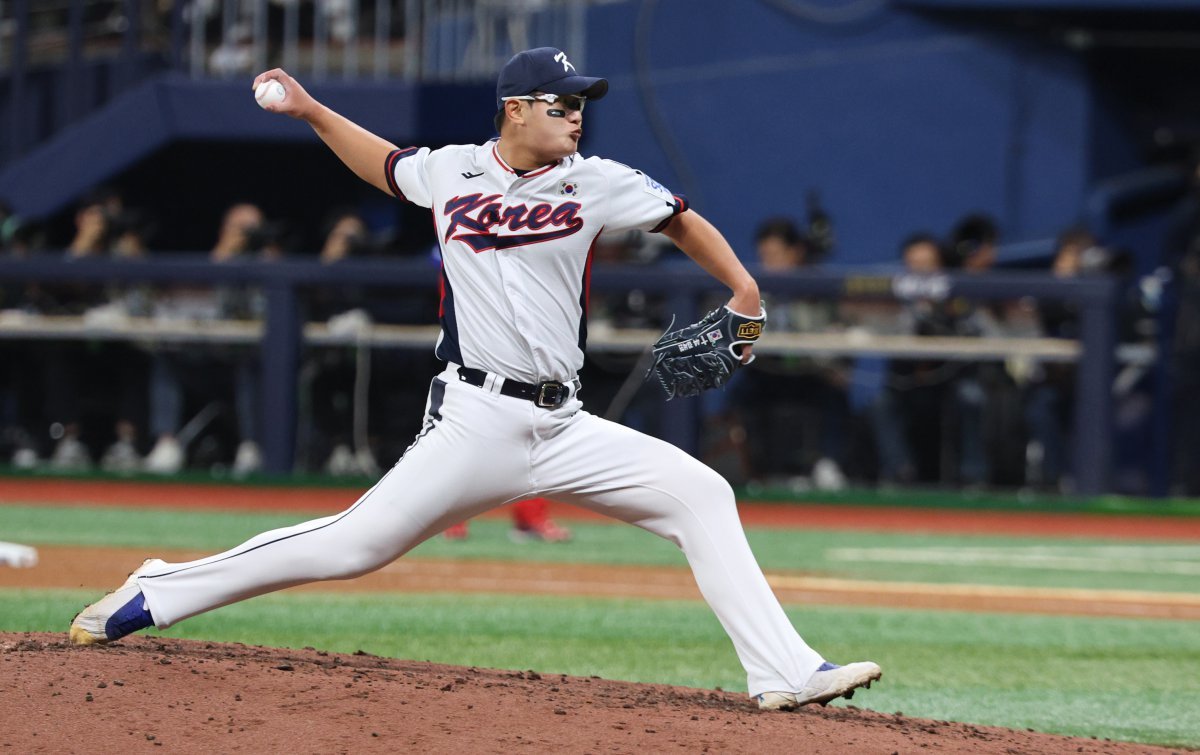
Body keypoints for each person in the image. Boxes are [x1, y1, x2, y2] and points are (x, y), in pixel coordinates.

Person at [69, 47, 881, 710]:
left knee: (702, 494)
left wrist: (743, 290)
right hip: (474, 419)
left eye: (580, 103)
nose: (575, 113)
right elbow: (384, 164)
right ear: (515, 108)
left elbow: (680, 218)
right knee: (354, 545)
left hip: (565, 427)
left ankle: (784, 670)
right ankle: (164, 588)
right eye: (559, 102)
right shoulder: (452, 170)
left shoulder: (596, 180)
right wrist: (312, 110)